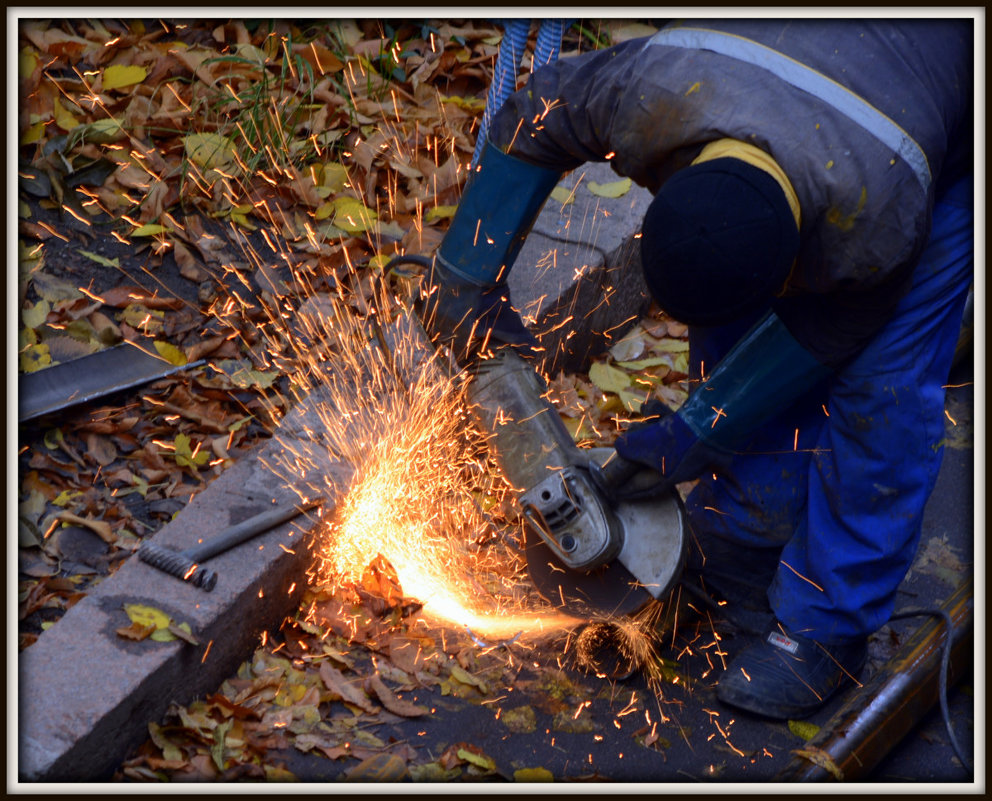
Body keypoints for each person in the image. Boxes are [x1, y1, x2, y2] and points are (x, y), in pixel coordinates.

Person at [421, 18, 974, 719]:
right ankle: (740, 541)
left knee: (880, 389)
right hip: (808, 77)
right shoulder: (643, 91)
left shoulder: (881, 223)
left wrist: (696, 432)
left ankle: (828, 625)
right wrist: (465, 276)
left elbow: (830, 328)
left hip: (926, 140)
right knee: (732, 311)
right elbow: (532, 115)